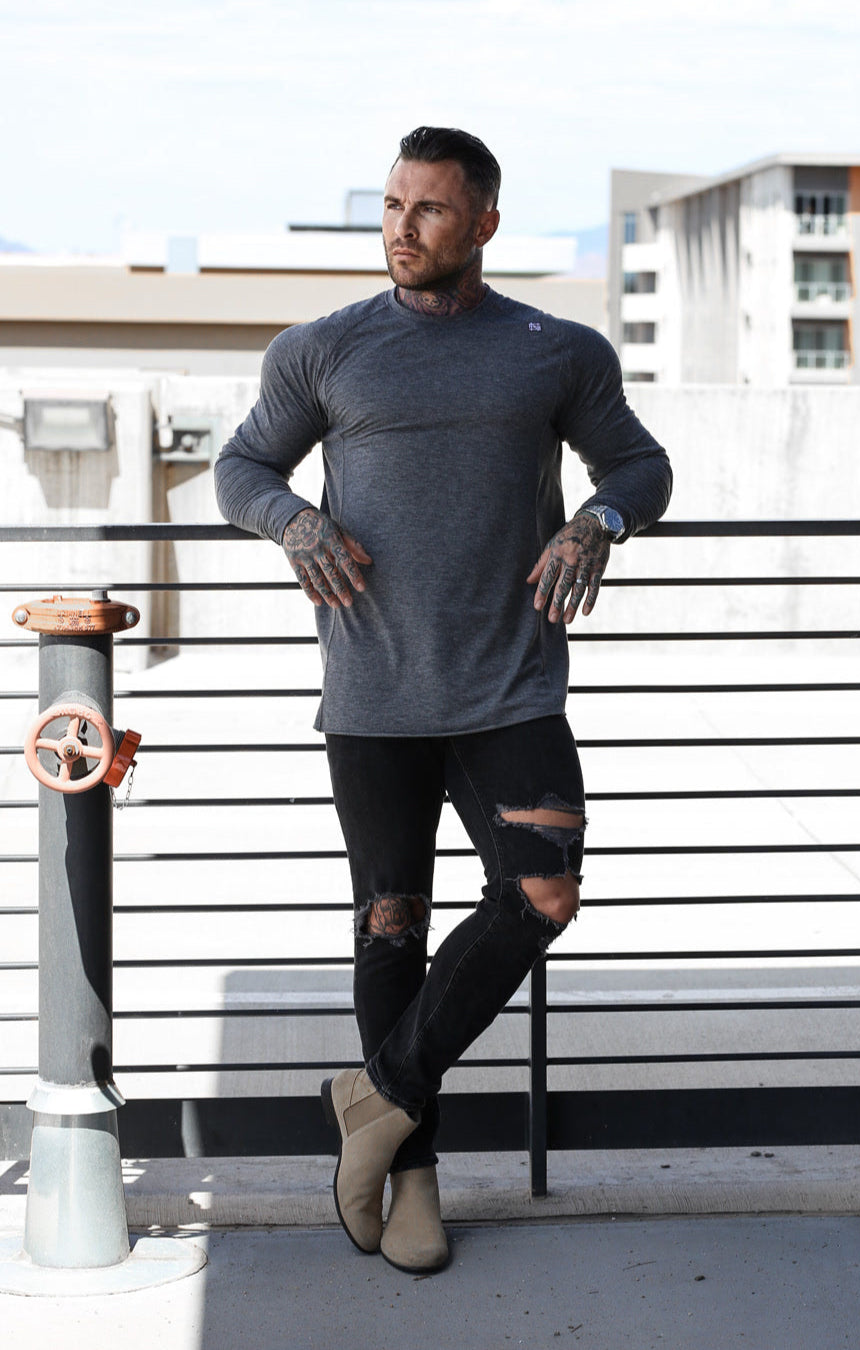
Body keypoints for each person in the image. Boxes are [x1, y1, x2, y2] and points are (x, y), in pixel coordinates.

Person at [214, 126, 672, 1274]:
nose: (401, 228)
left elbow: (641, 467)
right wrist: (294, 521)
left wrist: (594, 521)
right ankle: (409, 1174)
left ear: (484, 224)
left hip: (508, 684)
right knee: (391, 924)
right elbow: (241, 469)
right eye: (390, 205)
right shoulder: (325, 348)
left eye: (427, 209)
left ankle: (372, 1098)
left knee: (545, 892)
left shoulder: (551, 349)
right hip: (372, 689)